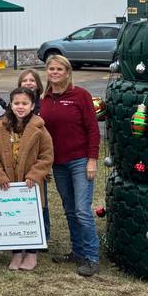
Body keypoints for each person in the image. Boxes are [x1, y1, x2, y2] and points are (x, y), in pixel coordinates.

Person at [40, 54, 101, 277]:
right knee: (69, 210)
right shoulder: (44, 98)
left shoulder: (80, 95)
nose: (55, 73)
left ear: (67, 72)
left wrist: (92, 159)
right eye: (51, 69)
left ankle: (92, 257)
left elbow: (93, 129)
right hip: (58, 162)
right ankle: (77, 251)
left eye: (59, 69)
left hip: (80, 160)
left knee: (82, 210)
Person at [0, 87, 53, 271]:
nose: (20, 107)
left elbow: (46, 156)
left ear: (32, 105)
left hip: (30, 184)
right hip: (8, 184)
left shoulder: (40, 129)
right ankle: (16, 253)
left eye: (25, 103)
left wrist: (34, 174)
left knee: (31, 218)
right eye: (17, 103)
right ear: (11, 105)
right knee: (13, 218)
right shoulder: (0, 129)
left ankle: (31, 254)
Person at [18, 69, 50, 240]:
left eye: (32, 80)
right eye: (25, 80)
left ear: (38, 84)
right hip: (20, 158)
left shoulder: (45, 105)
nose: (29, 83)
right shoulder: (16, 105)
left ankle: (44, 232)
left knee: (41, 197)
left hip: (39, 158)